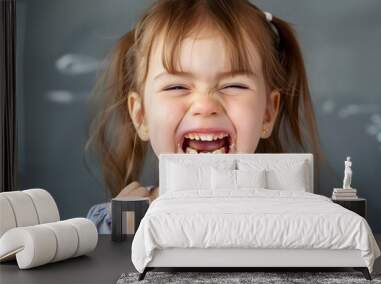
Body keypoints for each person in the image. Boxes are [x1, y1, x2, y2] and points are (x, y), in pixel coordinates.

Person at [85, 0, 322, 233]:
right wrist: (122, 229)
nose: (205, 106)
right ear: (141, 116)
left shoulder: (290, 222)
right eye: (176, 87)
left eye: (234, 85)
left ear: (268, 114)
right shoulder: (121, 221)